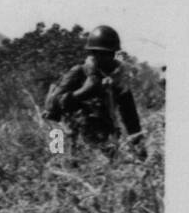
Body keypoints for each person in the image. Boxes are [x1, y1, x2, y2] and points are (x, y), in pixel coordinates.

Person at [45, 25, 145, 156]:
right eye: (101, 54)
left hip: (100, 133)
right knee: (64, 162)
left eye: (110, 54)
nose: (106, 58)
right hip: (67, 129)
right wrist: (85, 91)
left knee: (110, 157)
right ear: (93, 53)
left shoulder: (117, 80)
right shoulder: (79, 72)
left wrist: (139, 147)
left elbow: (130, 116)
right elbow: (54, 104)